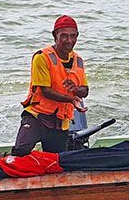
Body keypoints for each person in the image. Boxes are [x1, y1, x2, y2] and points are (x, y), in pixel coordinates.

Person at [12, 15, 89, 155]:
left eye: (73, 36)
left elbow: (85, 91)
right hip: (37, 116)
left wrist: (76, 89)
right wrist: (71, 99)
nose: (69, 40)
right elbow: (46, 91)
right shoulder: (42, 57)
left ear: (77, 36)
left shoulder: (79, 61)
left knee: (56, 160)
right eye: (64, 36)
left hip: (61, 122)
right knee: (20, 151)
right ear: (55, 35)